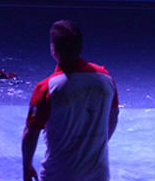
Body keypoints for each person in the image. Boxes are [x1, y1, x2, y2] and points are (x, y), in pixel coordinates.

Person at [22, 20, 119, 181]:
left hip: (58, 175)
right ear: (80, 47)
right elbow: (113, 117)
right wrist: (92, 148)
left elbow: (30, 134)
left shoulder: (47, 88)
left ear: (54, 50)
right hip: (98, 175)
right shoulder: (106, 79)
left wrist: (27, 167)